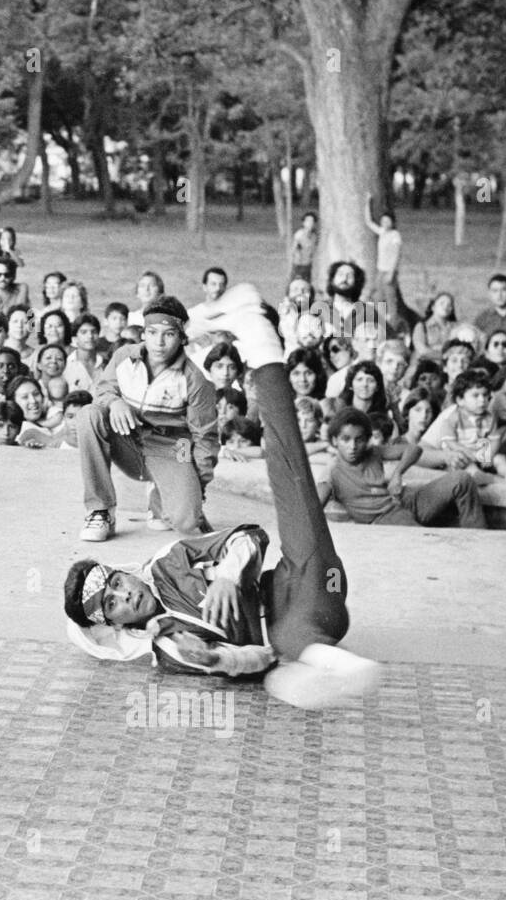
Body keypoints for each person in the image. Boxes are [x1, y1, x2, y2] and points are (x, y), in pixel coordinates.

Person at [64, 283, 384, 710]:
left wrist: (230, 576)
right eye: (112, 603)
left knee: (292, 482)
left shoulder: (168, 561)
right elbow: (243, 664)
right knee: (284, 651)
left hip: (304, 581)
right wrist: (219, 657)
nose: (124, 595)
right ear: (113, 624)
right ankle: (326, 663)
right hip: (301, 631)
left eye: (118, 583)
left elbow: (251, 535)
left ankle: (258, 337)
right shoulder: (168, 650)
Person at [77, 296, 218, 541]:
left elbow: (204, 438)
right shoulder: (124, 357)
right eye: (152, 332)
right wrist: (115, 401)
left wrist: (198, 486)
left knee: (186, 522)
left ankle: (161, 497)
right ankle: (100, 509)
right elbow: (102, 389)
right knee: (89, 414)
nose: (159, 342)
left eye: (169, 334)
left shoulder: (195, 380)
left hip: (171, 449)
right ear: (143, 333)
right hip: (127, 440)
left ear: (182, 337)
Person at [318, 407, 487, 529]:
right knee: (425, 541)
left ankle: (477, 539)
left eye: (359, 439)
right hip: (384, 516)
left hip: (404, 500)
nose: (353, 446)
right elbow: (315, 506)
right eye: (345, 439)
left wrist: (397, 474)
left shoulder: (374, 452)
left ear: (367, 440)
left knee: (462, 479)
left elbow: (415, 449)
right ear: (334, 441)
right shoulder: (332, 471)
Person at [363, 197, 403, 302]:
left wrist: (391, 272)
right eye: (383, 220)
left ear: (392, 222)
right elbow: (368, 222)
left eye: (388, 220)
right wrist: (367, 203)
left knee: (390, 298)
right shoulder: (382, 232)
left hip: (389, 271)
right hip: (380, 270)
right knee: (378, 297)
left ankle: (393, 318)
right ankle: (379, 317)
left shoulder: (395, 235)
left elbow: (396, 255)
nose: (385, 222)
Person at [289, 212, 319, 282]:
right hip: (298, 265)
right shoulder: (299, 235)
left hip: (308, 265)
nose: (310, 223)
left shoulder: (314, 236)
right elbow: (293, 250)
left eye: (312, 221)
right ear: (304, 223)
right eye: (308, 221)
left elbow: (314, 250)